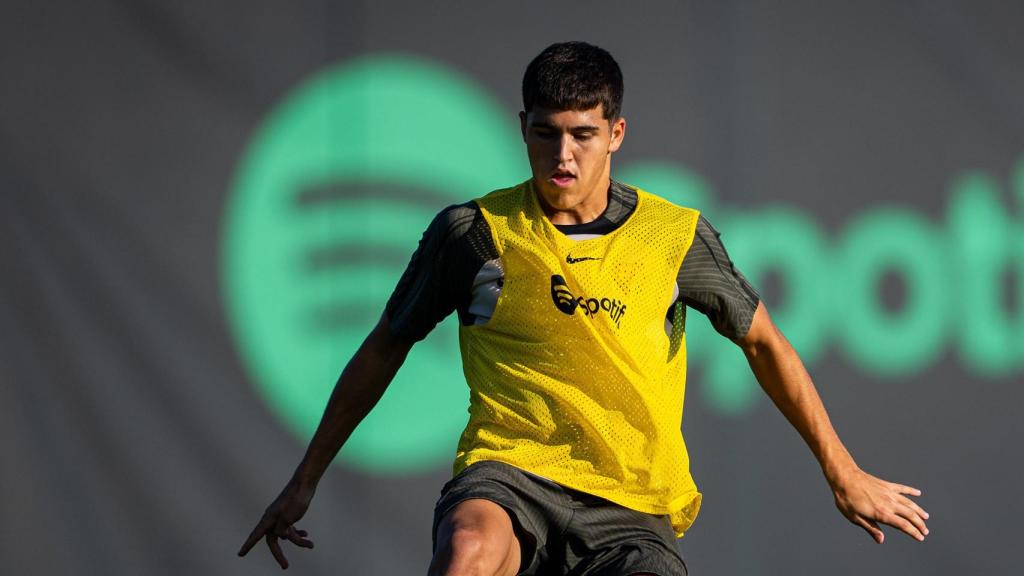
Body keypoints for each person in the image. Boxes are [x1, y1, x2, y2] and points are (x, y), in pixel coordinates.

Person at [239, 41, 929, 575]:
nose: (562, 155)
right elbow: (385, 345)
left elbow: (764, 343)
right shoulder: (472, 233)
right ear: (522, 128)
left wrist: (842, 470)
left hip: (632, 504)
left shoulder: (674, 237)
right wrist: (304, 481)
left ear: (616, 133)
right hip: (510, 474)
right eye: (545, 133)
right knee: (468, 554)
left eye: (582, 135)